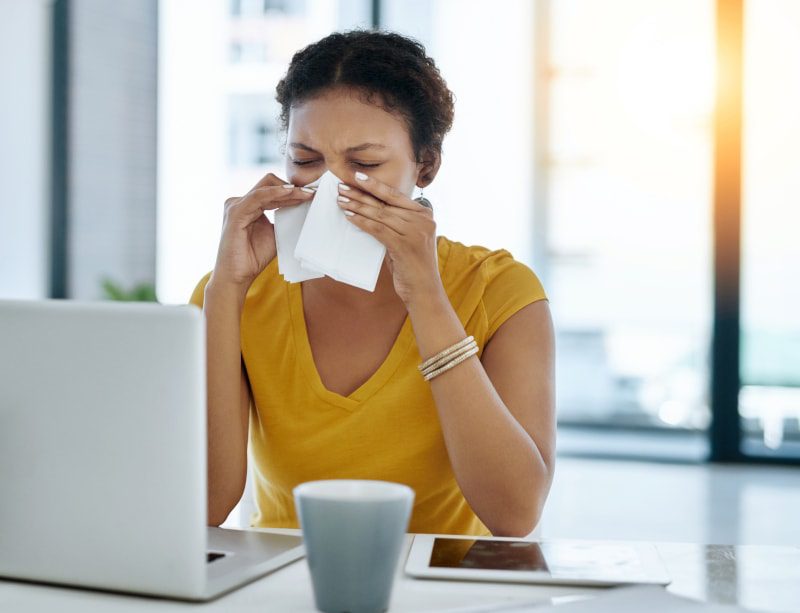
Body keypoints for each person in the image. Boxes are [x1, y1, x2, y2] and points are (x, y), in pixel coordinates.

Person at [190, 30, 555, 537]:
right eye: (305, 160)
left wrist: (426, 295)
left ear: (425, 167)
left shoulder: (499, 291)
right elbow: (207, 505)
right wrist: (225, 291)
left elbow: (514, 514)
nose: (330, 188)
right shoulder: (237, 291)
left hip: (444, 590)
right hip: (282, 582)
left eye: (364, 165)